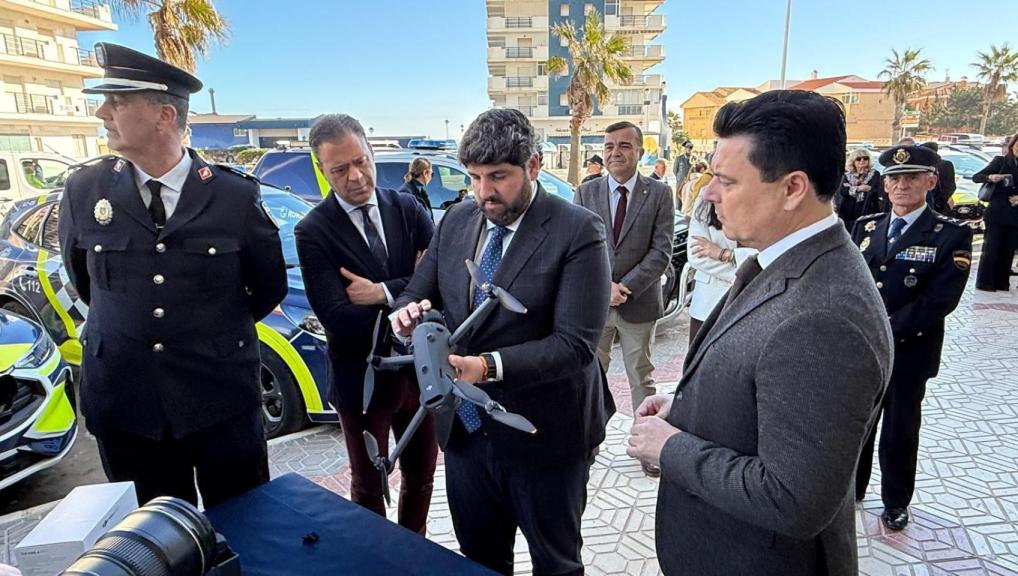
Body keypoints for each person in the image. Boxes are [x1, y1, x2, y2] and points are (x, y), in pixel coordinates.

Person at [627, 90, 892, 576]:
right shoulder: (782, 261)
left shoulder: (825, 317)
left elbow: (792, 498)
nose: (708, 193)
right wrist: (686, 410)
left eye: (726, 181)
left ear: (792, 188)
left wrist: (670, 447)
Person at [58, 43, 288, 507]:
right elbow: (87, 282)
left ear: (164, 115)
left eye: (118, 102)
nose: (103, 111)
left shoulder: (233, 196)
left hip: (218, 401)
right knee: (153, 546)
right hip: (128, 406)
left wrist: (208, 332)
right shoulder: (85, 190)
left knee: (245, 526)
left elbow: (267, 287)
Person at [391, 108, 613, 576]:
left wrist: (485, 367)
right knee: (481, 563)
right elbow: (420, 288)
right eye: (473, 177)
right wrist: (406, 313)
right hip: (467, 435)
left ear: (533, 166)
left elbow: (575, 346)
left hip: (545, 436)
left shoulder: (578, 230)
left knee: (556, 564)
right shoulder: (456, 219)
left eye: (498, 177)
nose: (483, 192)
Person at [294, 114, 436, 533]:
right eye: (340, 169)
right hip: (361, 382)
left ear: (372, 154)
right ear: (323, 171)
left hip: (419, 372)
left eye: (362, 162)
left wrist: (382, 292)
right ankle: (375, 559)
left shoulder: (407, 208)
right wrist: (413, 288)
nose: (356, 177)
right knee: (368, 486)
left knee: (422, 477)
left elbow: (442, 279)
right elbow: (336, 316)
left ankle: (413, 554)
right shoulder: (313, 231)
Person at [851, 144, 972, 531]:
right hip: (864, 350)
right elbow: (853, 285)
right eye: (893, 178)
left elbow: (940, 300)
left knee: (900, 430)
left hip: (908, 350)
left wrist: (882, 326)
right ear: (884, 185)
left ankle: (895, 500)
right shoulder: (866, 227)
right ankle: (851, 488)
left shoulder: (950, 234)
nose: (900, 185)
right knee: (857, 425)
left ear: (930, 181)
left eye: (910, 177)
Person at [575, 121, 674, 412]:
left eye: (624, 145)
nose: (615, 152)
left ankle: (645, 444)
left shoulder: (659, 193)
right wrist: (604, 287)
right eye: (609, 146)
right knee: (589, 377)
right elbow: (577, 250)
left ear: (640, 152)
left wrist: (624, 288)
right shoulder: (585, 193)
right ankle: (587, 444)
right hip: (596, 304)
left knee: (641, 378)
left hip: (639, 304)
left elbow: (661, 251)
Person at [685, 192, 757, 345]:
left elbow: (770, 253)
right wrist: (743, 275)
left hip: (752, 302)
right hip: (708, 303)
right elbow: (697, 255)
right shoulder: (707, 195)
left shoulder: (762, 193)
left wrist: (724, 254)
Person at [973, 132, 1018, 291]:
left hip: (1016, 214)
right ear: (1012, 146)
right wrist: (991, 177)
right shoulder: (1001, 161)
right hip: (998, 211)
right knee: (992, 248)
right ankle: (986, 282)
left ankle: (1002, 282)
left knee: (1008, 249)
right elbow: (977, 177)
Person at [835, 148, 884, 231]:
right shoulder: (846, 175)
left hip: (868, 210)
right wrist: (860, 188)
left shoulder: (874, 174)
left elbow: (874, 189)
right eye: (858, 159)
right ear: (853, 161)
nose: (862, 160)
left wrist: (851, 188)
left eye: (865, 158)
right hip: (848, 213)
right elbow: (843, 191)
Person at [920, 141, 956, 213]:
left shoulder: (944, 165)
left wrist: (939, 203)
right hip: (924, 203)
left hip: (938, 205)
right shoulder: (920, 165)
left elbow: (949, 186)